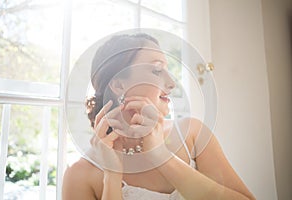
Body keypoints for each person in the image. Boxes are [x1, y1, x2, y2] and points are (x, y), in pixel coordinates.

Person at [62, 33, 256, 200]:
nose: (172, 82)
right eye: (157, 70)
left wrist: (161, 156)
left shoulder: (193, 135)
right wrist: (111, 176)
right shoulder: (80, 173)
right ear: (119, 85)